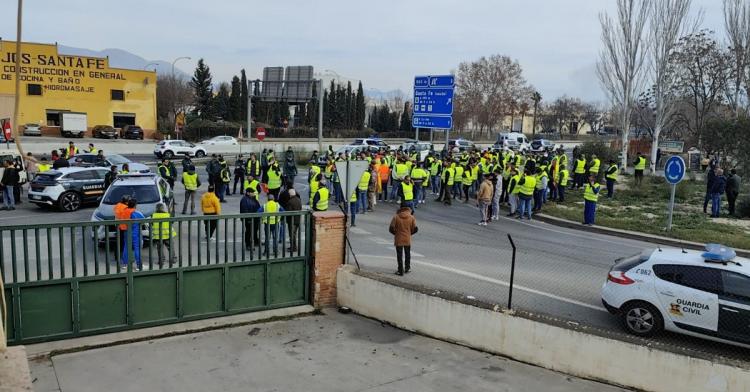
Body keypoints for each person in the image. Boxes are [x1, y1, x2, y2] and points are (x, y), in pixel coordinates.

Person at [389, 206, 418, 276]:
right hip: (407, 238)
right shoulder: (411, 217)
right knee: (407, 254)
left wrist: (396, 234)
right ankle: (407, 268)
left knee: (399, 255)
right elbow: (415, 229)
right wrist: (409, 234)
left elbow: (391, 228)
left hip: (399, 238)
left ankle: (400, 270)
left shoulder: (396, 217)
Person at [121, 198, 145, 271]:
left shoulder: (124, 212)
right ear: (135, 205)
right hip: (135, 233)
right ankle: (138, 265)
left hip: (126, 232)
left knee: (126, 248)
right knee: (137, 249)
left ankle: (125, 264)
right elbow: (144, 220)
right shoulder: (136, 213)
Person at [151, 202, 176, 266]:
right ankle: (173, 259)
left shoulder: (153, 215)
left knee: (160, 248)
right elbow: (172, 222)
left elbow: (151, 224)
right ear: (163, 208)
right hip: (168, 234)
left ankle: (161, 261)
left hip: (158, 235)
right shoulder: (168, 215)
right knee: (170, 247)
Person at [113, 195, 133, 261]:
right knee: (125, 242)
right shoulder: (126, 207)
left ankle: (117, 256)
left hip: (117, 225)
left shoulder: (117, 205)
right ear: (126, 202)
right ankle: (124, 257)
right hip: (124, 226)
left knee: (118, 242)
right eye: (129, 201)